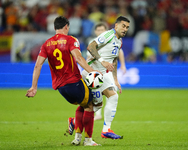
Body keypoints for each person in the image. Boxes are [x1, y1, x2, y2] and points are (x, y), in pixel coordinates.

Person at [25, 16, 107, 146]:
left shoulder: (46, 44)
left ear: (54, 28)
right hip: (74, 81)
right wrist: (93, 72)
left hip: (61, 88)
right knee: (91, 105)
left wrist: (34, 87)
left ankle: (77, 139)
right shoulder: (71, 40)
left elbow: (37, 65)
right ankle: (88, 140)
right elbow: (79, 58)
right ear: (66, 27)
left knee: (83, 104)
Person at [68, 16, 130, 139]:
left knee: (113, 97)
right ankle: (75, 122)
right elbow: (90, 46)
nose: (125, 29)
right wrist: (102, 61)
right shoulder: (108, 35)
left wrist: (115, 80)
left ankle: (106, 130)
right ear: (116, 25)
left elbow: (114, 60)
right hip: (92, 74)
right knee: (94, 105)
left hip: (102, 75)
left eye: (127, 27)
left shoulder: (119, 41)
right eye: (123, 26)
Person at [87, 22, 127, 120]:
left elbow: (117, 55)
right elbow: (89, 57)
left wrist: (122, 67)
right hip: (95, 73)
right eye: (98, 30)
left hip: (106, 73)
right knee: (96, 101)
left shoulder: (111, 39)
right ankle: (82, 119)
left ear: (106, 30)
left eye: (102, 30)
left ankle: (105, 123)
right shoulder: (93, 42)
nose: (100, 32)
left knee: (111, 96)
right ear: (95, 31)